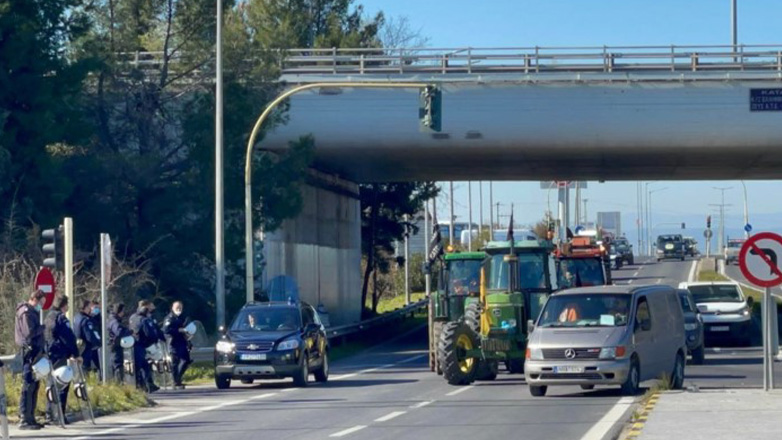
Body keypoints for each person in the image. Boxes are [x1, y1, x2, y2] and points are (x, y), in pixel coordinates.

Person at [44, 295, 79, 425]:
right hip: (60, 355)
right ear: (64, 305)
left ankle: (50, 413)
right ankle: (59, 414)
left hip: (49, 355)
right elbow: (68, 337)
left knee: (51, 384)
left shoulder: (49, 317)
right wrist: (75, 353)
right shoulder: (61, 318)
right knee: (62, 383)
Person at [14, 290, 46, 430]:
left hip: (35, 352)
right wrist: (42, 328)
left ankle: (31, 417)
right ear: (35, 299)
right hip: (29, 352)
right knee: (28, 384)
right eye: (41, 303)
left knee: (34, 384)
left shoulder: (32, 312)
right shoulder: (26, 312)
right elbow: (29, 333)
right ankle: (24, 418)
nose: (41, 306)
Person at [129, 300, 162, 392]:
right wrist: (154, 340)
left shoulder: (132, 317)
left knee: (144, 366)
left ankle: (146, 385)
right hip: (142, 345)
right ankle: (143, 386)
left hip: (133, 344)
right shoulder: (144, 319)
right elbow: (149, 333)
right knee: (142, 366)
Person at [162, 301, 192, 390]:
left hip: (182, 342)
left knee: (186, 360)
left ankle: (178, 378)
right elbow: (166, 330)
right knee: (174, 362)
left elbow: (187, 329)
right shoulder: (169, 318)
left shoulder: (183, 318)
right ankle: (175, 381)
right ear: (172, 308)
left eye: (180, 308)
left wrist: (189, 339)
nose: (179, 310)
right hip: (173, 343)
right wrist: (179, 330)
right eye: (177, 308)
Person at [74, 300, 101, 374]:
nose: (90, 309)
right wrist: (98, 343)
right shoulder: (85, 320)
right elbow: (89, 336)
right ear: (85, 307)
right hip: (85, 347)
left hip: (79, 346)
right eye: (89, 307)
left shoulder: (76, 317)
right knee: (85, 368)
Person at [108, 303, 132, 383]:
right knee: (117, 365)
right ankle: (118, 383)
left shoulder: (112, 320)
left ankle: (118, 382)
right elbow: (119, 332)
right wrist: (129, 331)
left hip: (115, 346)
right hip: (115, 346)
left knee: (117, 364)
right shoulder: (114, 322)